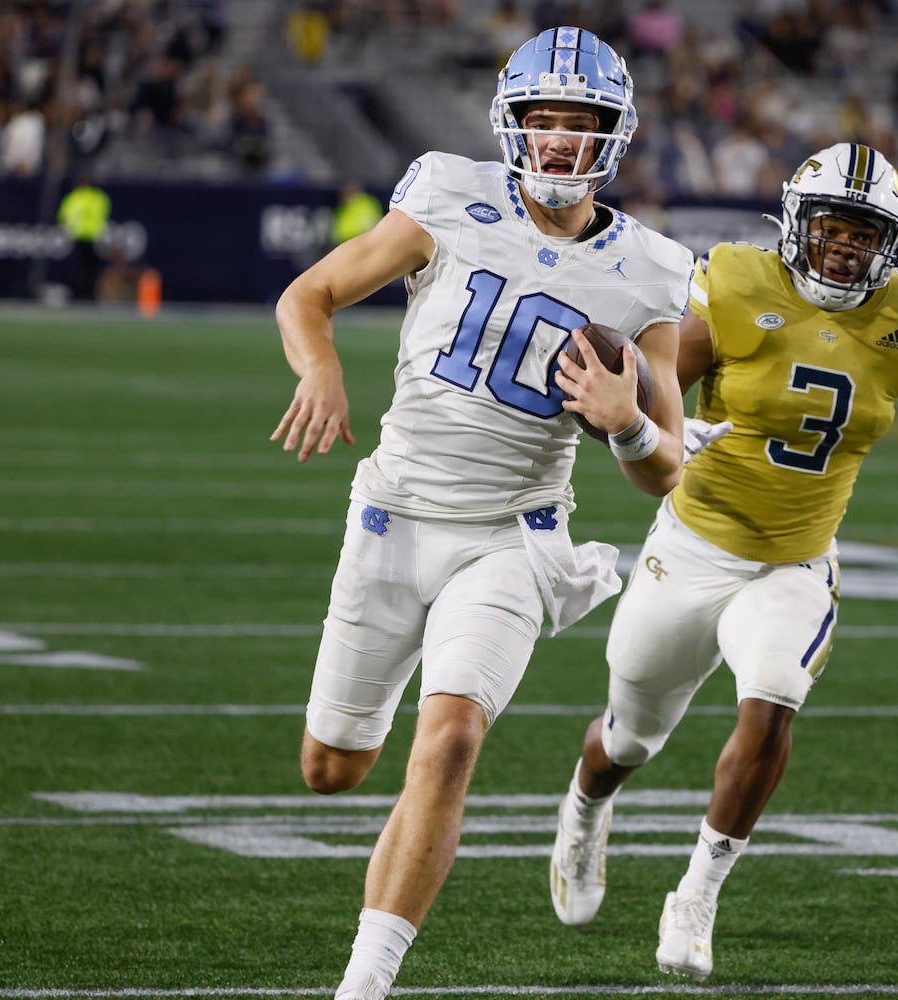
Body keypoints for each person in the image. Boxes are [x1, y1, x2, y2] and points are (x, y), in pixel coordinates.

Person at [268, 27, 693, 1000]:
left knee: (451, 735)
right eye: (541, 120)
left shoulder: (654, 270)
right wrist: (322, 367)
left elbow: (669, 468)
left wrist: (629, 427)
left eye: (578, 123)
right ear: (512, 126)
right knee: (332, 768)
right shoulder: (448, 194)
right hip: (394, 513)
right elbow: (311, 294)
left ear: (611, 137)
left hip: (515, 534)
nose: (556, 141)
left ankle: (364, 986)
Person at [548, 142, 898, 981]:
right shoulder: (739, 288)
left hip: (794, 562)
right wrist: (669, 421)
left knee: (772, 701)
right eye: (832, 226)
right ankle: (582, 810)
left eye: (866, 234)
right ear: (796, 222)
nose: (846, 247)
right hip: (691, 544)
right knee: (628, 739)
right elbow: (640, 389)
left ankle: (697, 894)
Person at [56, 175, 111, 301]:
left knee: (80, 268)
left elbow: (62, 218)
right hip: (93, 237)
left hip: (81, 236)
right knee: (91, 269)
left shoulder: (74, 198)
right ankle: (89, 294)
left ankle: (80, 293)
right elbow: (104, 214)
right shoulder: (98, 197)